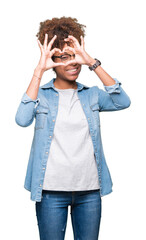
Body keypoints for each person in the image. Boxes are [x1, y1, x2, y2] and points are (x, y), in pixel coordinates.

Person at [15, 16, 131, 240]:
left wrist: (91, 61)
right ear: (53, 60)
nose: (72, 63)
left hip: (89, 190)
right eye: (64, 57)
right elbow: (22, 119)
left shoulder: (93, 95)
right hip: (50, 191)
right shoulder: (41, 96)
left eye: (75, 56)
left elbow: (122, 101)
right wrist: (38, 70)